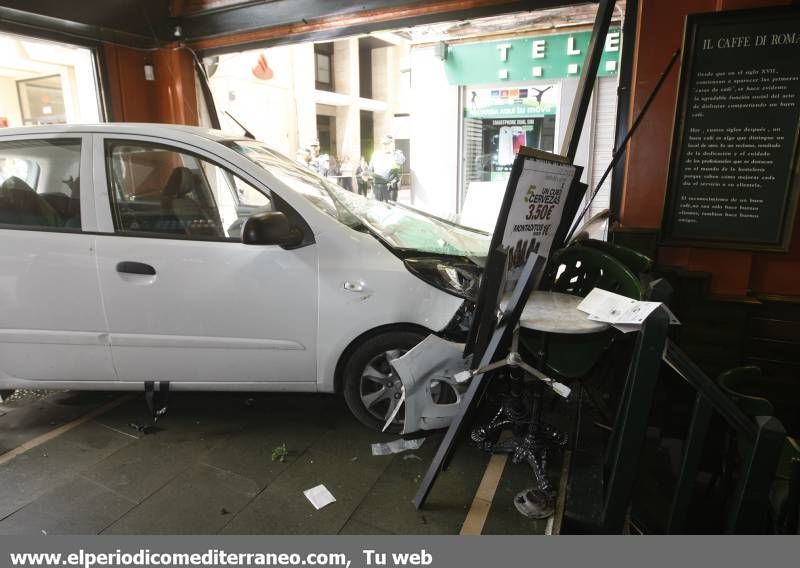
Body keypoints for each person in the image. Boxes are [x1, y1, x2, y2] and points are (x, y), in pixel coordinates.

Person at [369, 135, 405, 202]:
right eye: (384, 144)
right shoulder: (376, 154)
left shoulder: (397, 154)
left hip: (390, 189)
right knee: (377, 209)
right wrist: (368, 176)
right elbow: (370, 169)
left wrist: (393, 152)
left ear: (392, 144)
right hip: (376, 188)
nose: (385, 146)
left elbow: (401, 160)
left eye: (387, 144)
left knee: (390, 210)